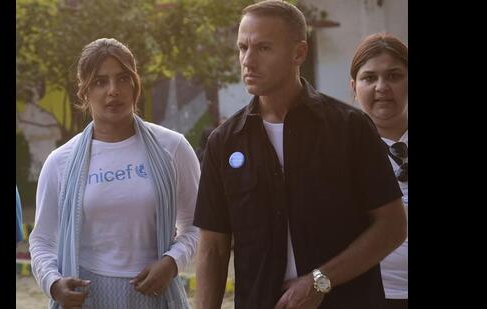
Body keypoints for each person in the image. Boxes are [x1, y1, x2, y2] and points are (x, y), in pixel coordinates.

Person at [193, 1, 407, 309]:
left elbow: (392, 227)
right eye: (242, 47)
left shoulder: (350, 128)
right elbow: (212, 248)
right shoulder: (223, 142)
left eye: (263, 48)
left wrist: (321, 280)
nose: (248, 61)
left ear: (299, 52)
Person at [29, 38, 200, 309]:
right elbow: (42, 239)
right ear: (83, 92)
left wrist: (172, 263)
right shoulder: (61, 161)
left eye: (123, 79)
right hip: (89, 297)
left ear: (135, 84)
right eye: (100, 81)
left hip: (156, 295)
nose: (113, 91)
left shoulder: (173, 148)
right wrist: (53, 283)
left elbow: (196, 225)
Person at [351, 32, 408, 309]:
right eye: (369, 78)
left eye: (394, 76)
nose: (382, 87)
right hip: (369, 296)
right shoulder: (338, 154)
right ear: (354, 86)